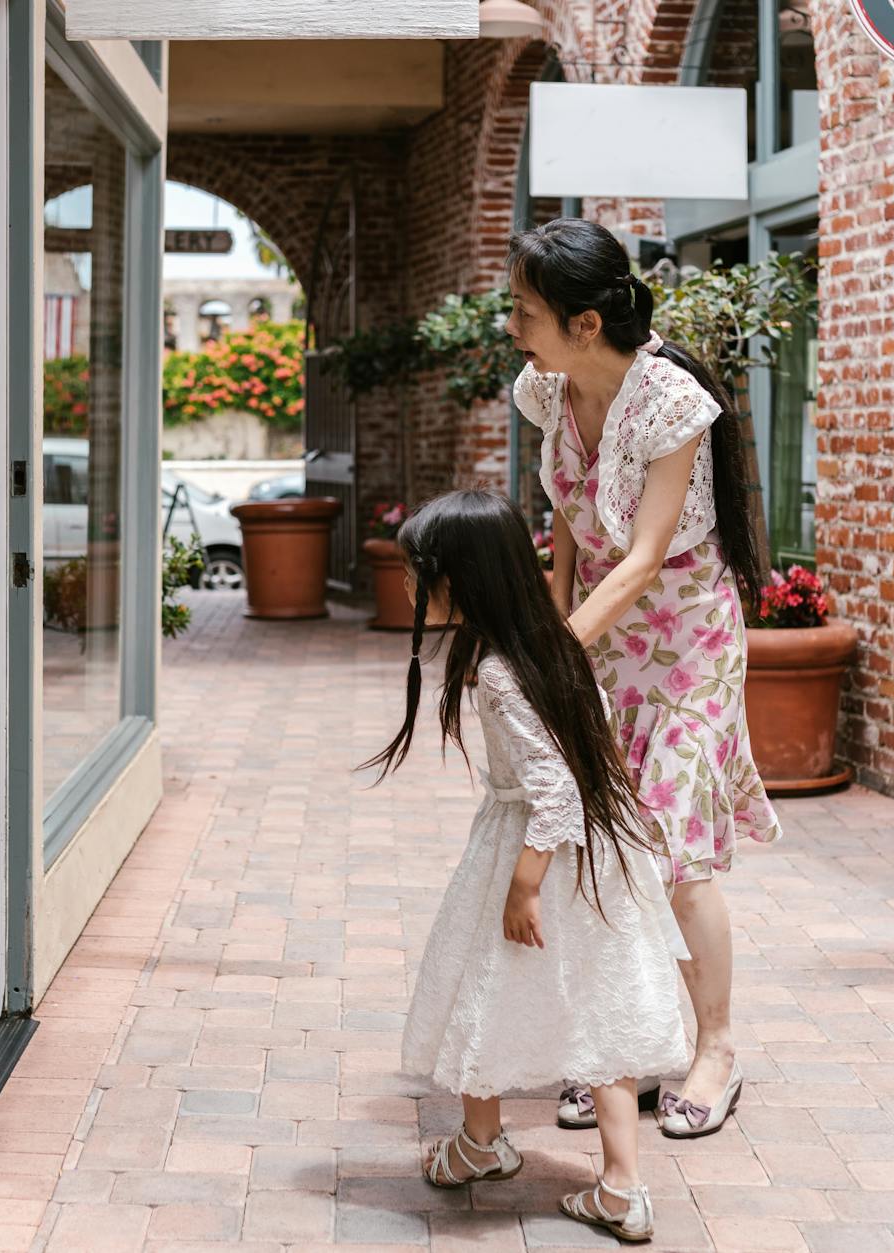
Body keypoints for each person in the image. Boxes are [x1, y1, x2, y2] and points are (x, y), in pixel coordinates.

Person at [506, 218, 780, 1139]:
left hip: (688, 645)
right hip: (604, 642)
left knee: (673, 847)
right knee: (604, 845)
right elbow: (572, 534)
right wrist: (552, 625)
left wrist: (551, 656)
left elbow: (644, 554)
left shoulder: (669, 404)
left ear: (586, 323)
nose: (512, 324)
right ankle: (622, 1045)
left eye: (526, 309)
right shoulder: (547, 392)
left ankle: (716, 1048)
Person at [368, 489, 690, 1244]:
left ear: (465, 578)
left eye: (421, 572)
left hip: (540, 852)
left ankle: (482, 1144)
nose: (412, 586)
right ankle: (622, 1186)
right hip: (596, 860)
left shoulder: (500, 671)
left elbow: (554, 790)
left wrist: (523, 885)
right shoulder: (553, 645)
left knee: (484, 984)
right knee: (600, 1009)